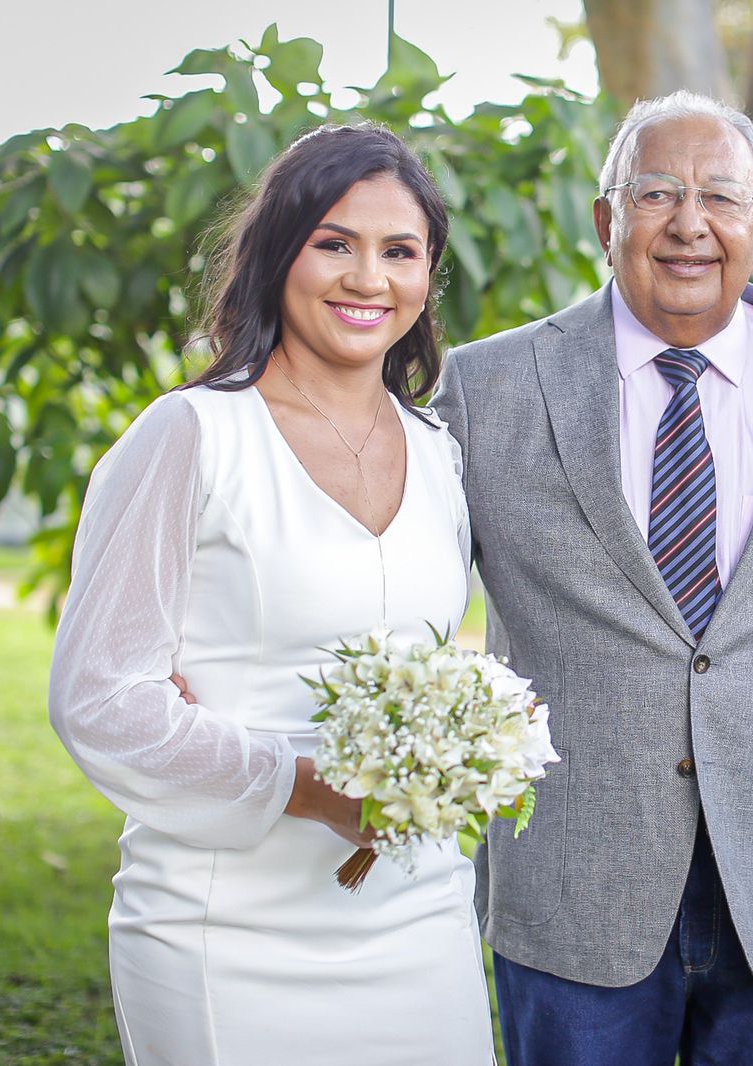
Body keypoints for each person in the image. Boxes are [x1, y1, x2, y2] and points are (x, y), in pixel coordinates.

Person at [431, 90, 753, 1065]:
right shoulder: (483, 389)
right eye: (657, 192)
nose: (688, 222)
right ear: (604, 219)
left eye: (718, 196)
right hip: (573, 884)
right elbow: (398, 592)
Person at [48, 124, 495, 1065]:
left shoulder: (440, 454)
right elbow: (101, 698)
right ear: (277, 255)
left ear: (427, 280)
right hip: (224, 928)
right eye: (333, 242)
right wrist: (306, 785)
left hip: (420, 919)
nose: (367, 279)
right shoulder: (193, 436)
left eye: (399, 252)